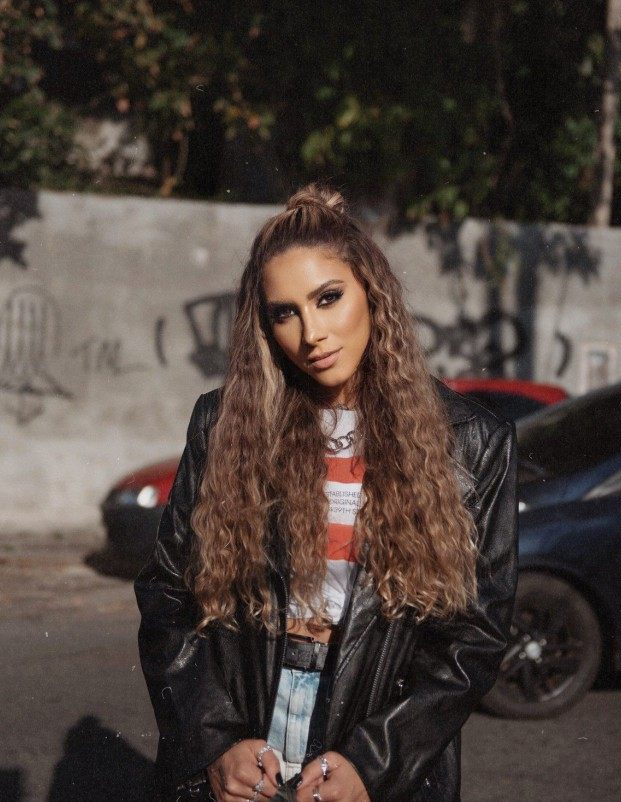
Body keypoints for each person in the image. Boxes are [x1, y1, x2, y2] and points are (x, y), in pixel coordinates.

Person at [135, 184, 518, 802]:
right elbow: (167, 594)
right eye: (284, 313)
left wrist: (374, 761)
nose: (311, 333)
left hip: (375, 740)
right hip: (247, 730)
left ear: (372, 291)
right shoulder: (226, 423)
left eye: (328, 298)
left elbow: (475, 635)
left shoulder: (472, 442)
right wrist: (214, 740)